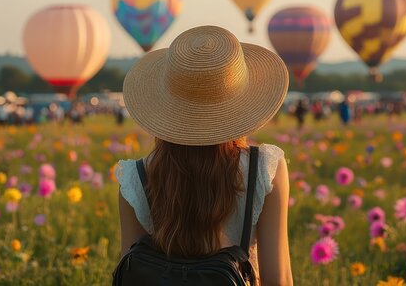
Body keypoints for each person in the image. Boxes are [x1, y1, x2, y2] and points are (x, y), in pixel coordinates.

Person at [115, 26, 293, 285]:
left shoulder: (135, 178)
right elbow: (279, 279)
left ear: (165, 103)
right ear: (240, 104)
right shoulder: (264, 169)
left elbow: (131, 273)